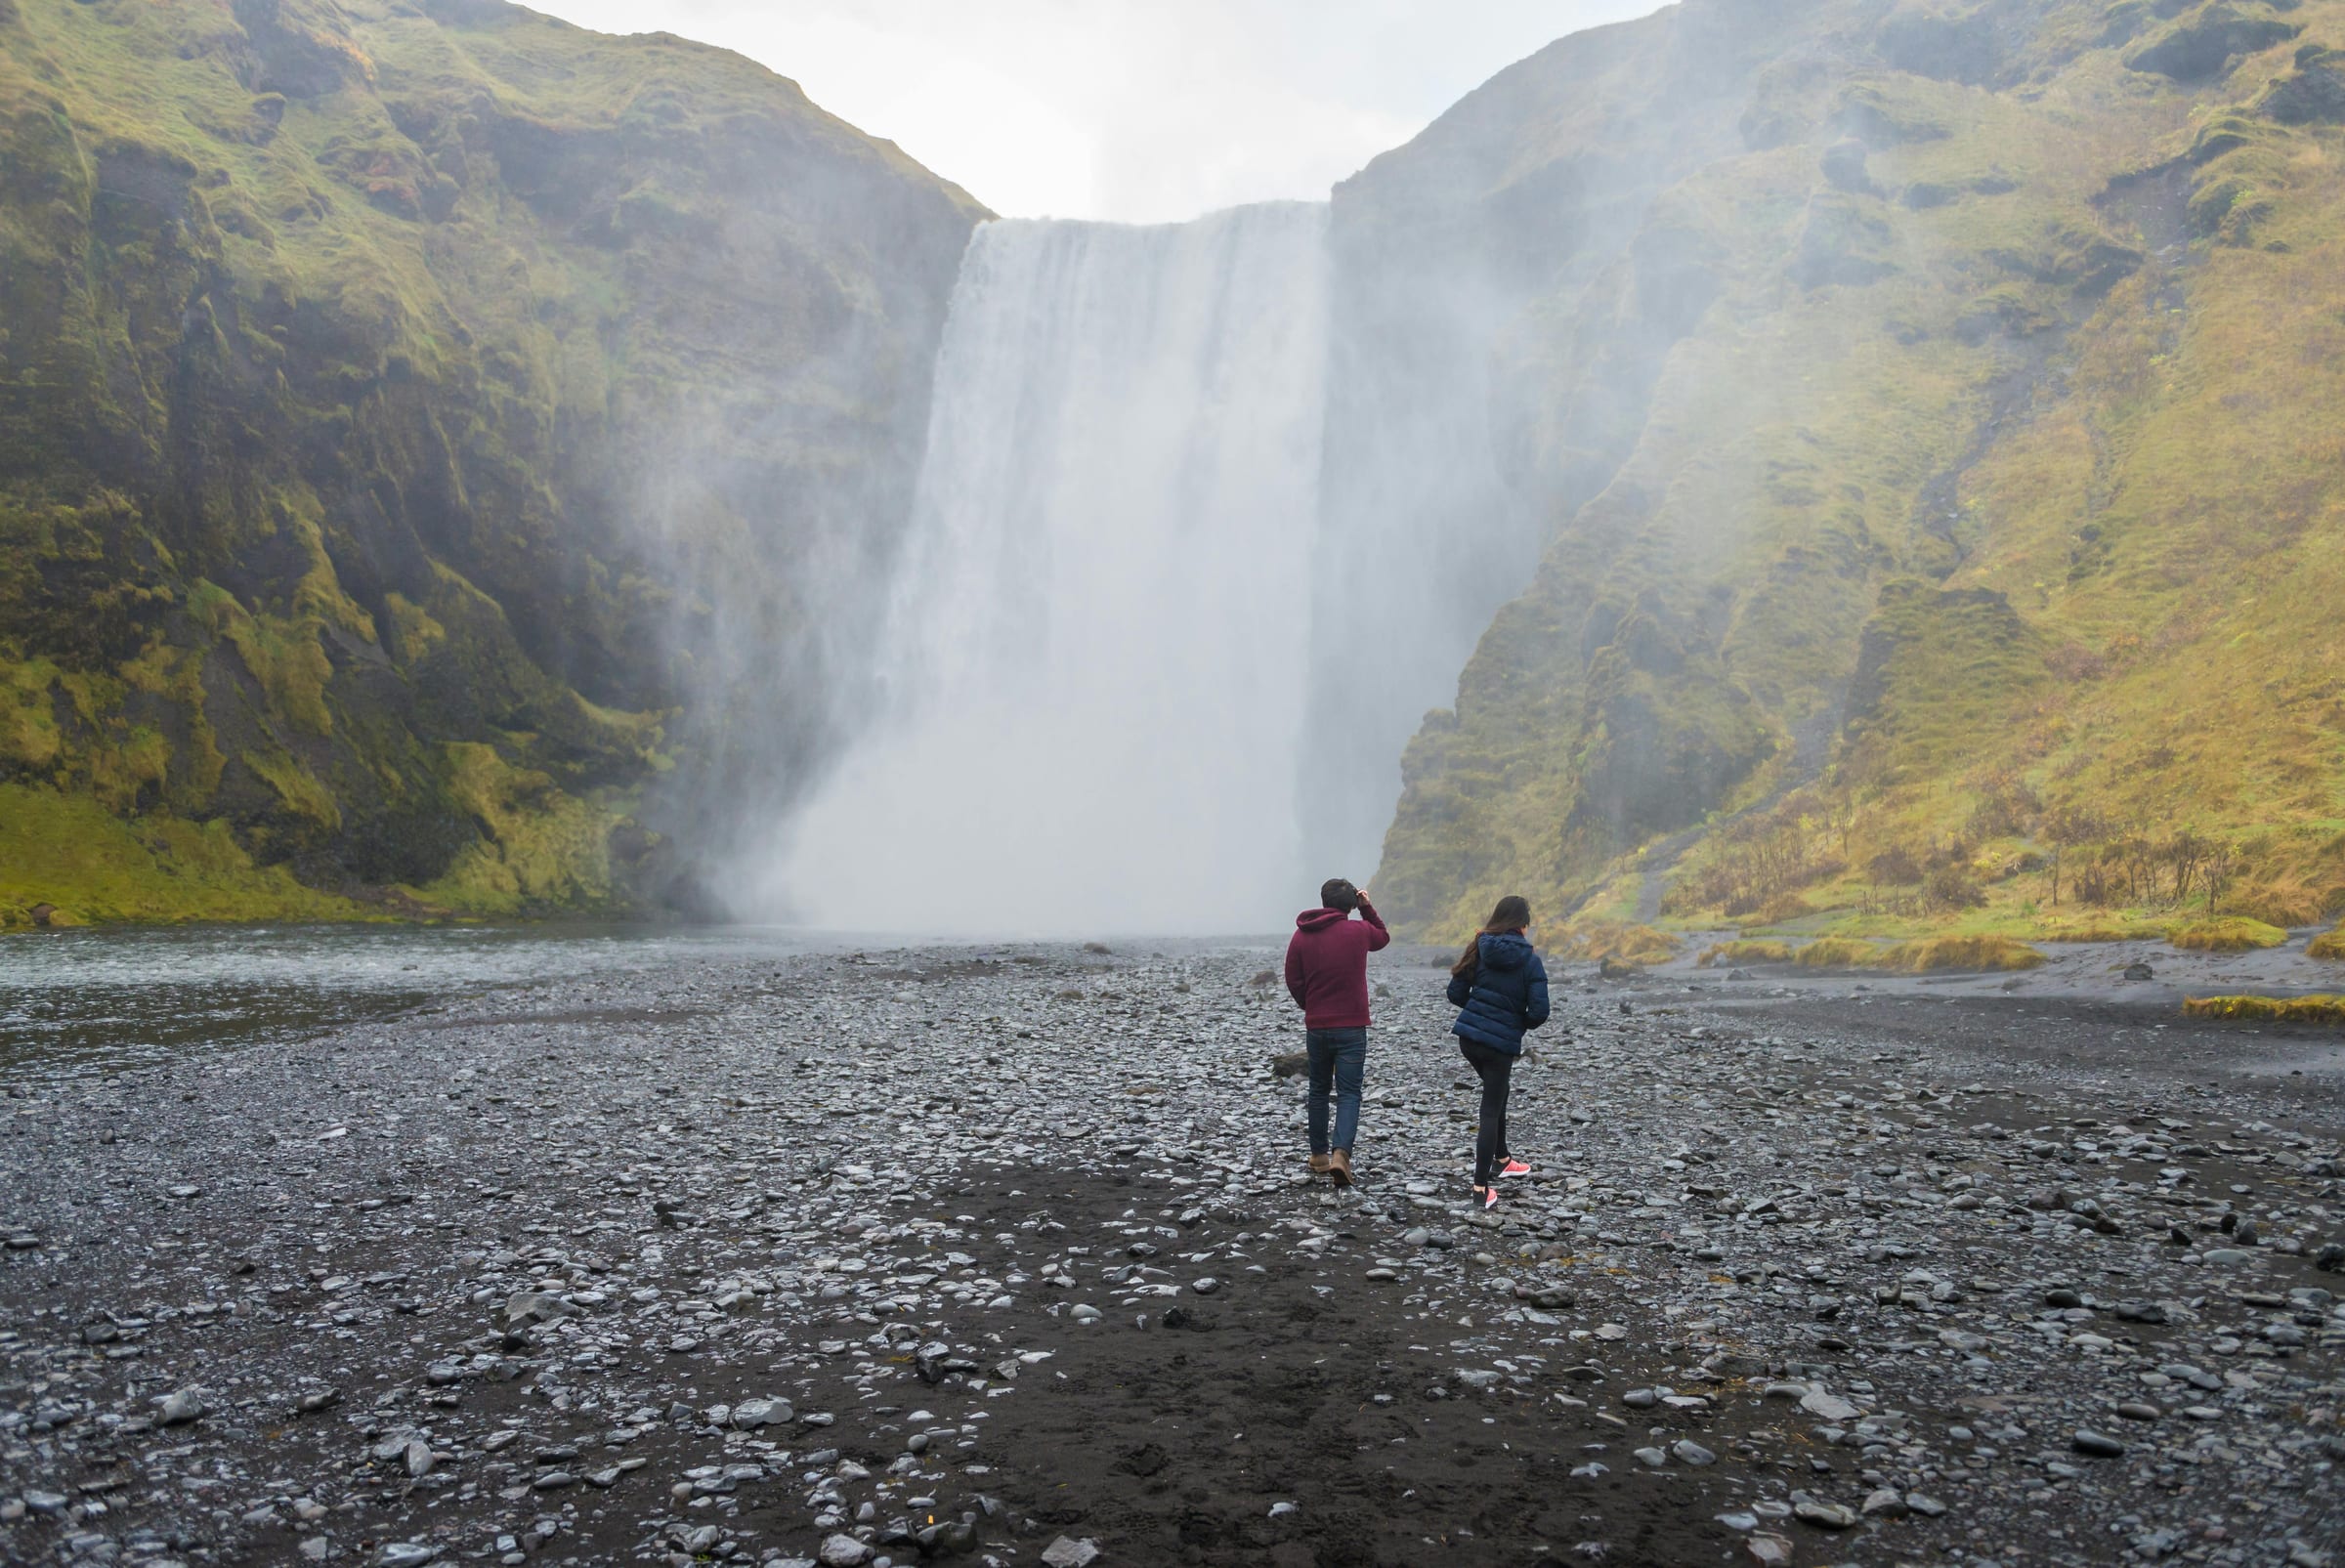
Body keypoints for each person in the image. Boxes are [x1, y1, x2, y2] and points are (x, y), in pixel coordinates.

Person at [1283, 877, 1389, 1186]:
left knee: (1318, 1088)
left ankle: (1318, 1156)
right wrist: (1367, 908)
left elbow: (1293, 978)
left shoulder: (1301, 936)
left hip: (1317, 1025)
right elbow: (1383, 937)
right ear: (1352, 905)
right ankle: (1341, 1154)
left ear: (1323, 900)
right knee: (1349, 1092)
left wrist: (1309, 1004)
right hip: (1352, 1027)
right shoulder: (1358, 931)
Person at [1446, 895, 1550, 1210]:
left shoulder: (1480, 946)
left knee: (1498, 1090)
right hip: (1498, 1045)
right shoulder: (1530, 960)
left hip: (1469, 1040)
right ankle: (1480, 1189)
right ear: (1523, 926)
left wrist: (1480, 1012)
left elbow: (1455, 993)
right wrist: (1514, 1022)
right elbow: (1540, 1011)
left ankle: (1503, 1158)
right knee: (1490, 1108)